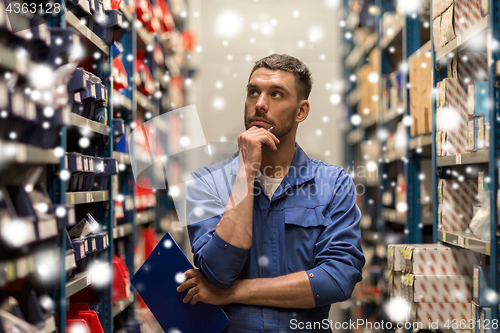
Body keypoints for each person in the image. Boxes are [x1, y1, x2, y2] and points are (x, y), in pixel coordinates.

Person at [177, 53, 365, 333]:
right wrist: (245, 172)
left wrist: (232, 293)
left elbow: (337, 279)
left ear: (301, 111)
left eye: (276, 94)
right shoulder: (206, 183)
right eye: (253, 92)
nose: (260, 104)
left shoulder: (333, 183)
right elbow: (217, 271)